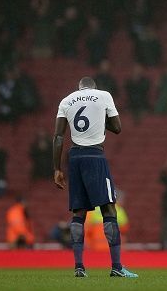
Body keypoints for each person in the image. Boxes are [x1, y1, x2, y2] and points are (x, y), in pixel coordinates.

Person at [53, 76, 138, 278]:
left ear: (79, 88)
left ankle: (79, 268)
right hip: (95, 155)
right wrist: (100, 118)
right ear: (94, 87)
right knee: (109, 208)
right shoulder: (103, 96)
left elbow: (58, 136)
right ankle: (117, 267)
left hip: (74, 158)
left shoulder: (66, 100)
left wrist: (57, 169)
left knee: (78, 213)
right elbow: (117, 128)